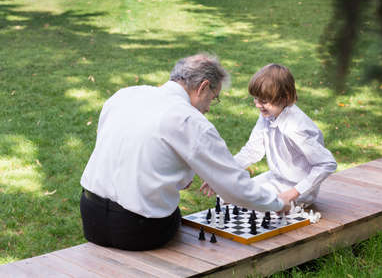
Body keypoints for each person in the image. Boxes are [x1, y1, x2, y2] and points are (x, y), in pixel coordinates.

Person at [79, 54, 290, 251]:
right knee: (176, 216)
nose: (208, 108)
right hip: (138, 231)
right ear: (203, 87)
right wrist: (277, 203)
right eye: (213, 98)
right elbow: (233, 187)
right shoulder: (190, 120)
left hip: (90, 218)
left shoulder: (124, 95)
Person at [201, 64, 337, 208]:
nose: (258, 105)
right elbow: (252, 151)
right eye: (255, 99)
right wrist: (221, 174)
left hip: (299, 189)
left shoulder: (296, 127)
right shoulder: (268, 115)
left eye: (264, 101)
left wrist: (293, 193)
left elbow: (326, 164)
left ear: (285, 98)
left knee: (246, 204)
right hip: (277, 178)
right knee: (227, 194)